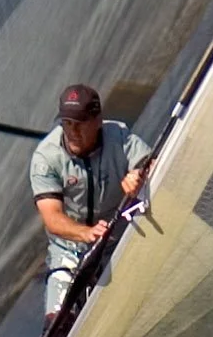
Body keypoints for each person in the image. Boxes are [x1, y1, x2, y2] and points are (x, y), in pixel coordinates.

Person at [30, 83, 153, 317]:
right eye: (67, 123)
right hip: (69, 251)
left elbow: (156, 164)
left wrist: (141, 175)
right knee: (57, 322)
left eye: (80, 123)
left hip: (119, 241)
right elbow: (52, 218)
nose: (73, 131)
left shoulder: (119, 137)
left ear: (97, 120)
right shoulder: (46, 157)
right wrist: (86, 233)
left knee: (132, 312)